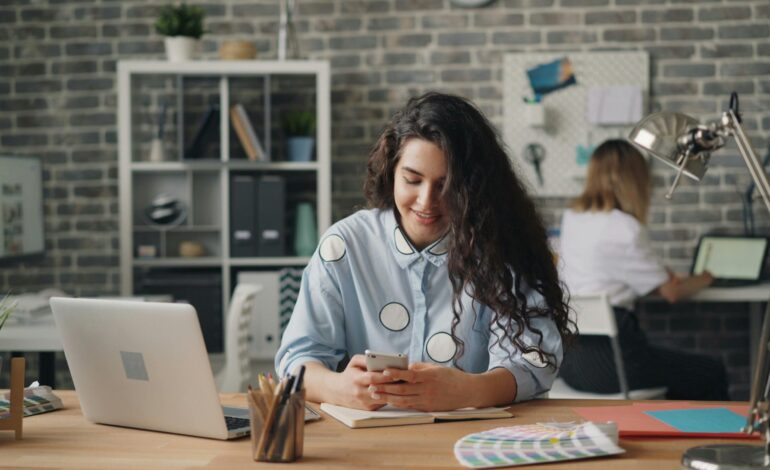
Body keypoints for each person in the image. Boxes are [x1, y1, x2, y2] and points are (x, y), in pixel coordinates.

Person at [275, 92, 573, 411]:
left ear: (473, 187)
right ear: (392, 173)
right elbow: (296, 360)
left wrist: (469, 390)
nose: (427, 201)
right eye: (412, 180)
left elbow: (533, 363)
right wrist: (338, 387)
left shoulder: (502, 247)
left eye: (447, 186)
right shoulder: (345, 245)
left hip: (472, 444)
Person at [558, 139, 729, 400]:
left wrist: (659, 272)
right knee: (710, 371)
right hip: (613, 367)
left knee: (679, 372)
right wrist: (706, 278)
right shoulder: (626, 228)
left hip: (572, 364)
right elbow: (671, 292)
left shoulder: (573, 218)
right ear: (635, 180)